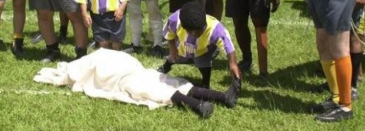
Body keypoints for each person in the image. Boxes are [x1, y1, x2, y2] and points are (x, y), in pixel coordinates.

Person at [34, 48, 241, 118]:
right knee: (163, 86)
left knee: (164, 85)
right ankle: (209, 102)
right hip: (129, 76)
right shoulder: (93, 59)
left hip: (132, 73)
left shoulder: (100, 55)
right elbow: (79, 70)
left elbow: (77, 71)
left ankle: (218, 99)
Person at [157, 2, 240, 89]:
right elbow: (169, 34)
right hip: (184, 46)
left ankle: (205, 82)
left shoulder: (216, 29)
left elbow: (229, 48)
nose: (194, 34)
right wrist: (173, 48)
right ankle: (165, 67)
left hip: (206, 49)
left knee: (200, 60)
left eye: (198, 30)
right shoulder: (175, 20)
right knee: (174, 57)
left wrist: (233, 64)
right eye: (190, 31)